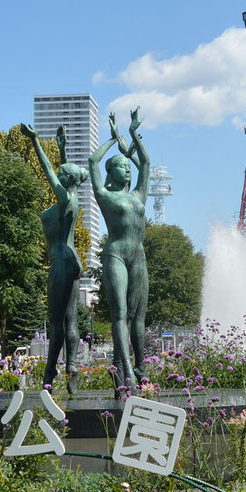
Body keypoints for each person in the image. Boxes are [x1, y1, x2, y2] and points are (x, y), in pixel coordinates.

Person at [22, 123, 91, 395]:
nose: (58, 173)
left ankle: (49, 377)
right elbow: (62, 172)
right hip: (70, 260)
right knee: (69, 321)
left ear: (67, 180)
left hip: (61, 261)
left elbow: (50, 172)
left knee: (56, 323)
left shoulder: (65, 198)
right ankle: (71, 371)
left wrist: (36, 141)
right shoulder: (70, 198)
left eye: (63, 173)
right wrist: (63, 150)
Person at [89, 108, 150, 395]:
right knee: (120, 315)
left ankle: (140, 368)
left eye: (128, 166)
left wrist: (132, 134)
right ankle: (127, 374)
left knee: (138, 318)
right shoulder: (105, 195)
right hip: (115, 256)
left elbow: (146, 162)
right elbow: (92, 160)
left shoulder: (138, 194)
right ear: (110, 173)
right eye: (121, 165)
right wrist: (113, 139)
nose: (127, 168)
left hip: (138, 257)